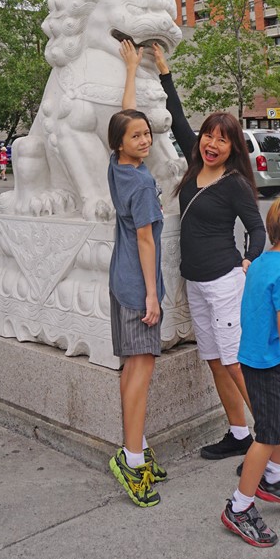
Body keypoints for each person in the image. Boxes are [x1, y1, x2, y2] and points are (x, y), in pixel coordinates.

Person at [154, 43, 266, 461]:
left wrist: (247, 259)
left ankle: (269, 441)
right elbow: (177, 117)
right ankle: (239, 433)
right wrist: (164, 72)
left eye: (222, 139)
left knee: (236, 363)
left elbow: (256, 229)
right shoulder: (195, 165)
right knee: (216, 361)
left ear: (233, 146)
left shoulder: (235, 183)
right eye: (208, 137)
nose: (211, 144)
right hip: (196, 283)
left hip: (224, 282)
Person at [221, 195, 280, 548]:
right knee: (267, 437)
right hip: (267, 366)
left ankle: (272, 476)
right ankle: (239, 507)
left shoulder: (260, 262)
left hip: (259, 358)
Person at [108, 41, 167, 509]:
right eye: (138, 137)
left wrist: (131, 70)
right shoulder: (144, 183)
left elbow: (124, 117)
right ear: (121, 145)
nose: (144, 139)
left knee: (132, 368)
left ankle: (138, 448)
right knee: (140, 373)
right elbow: (146, 242)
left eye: (147, 133)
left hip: (119, 280)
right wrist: (152, 297)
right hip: (136, 288)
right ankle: (131, 461)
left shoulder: (119, 169)